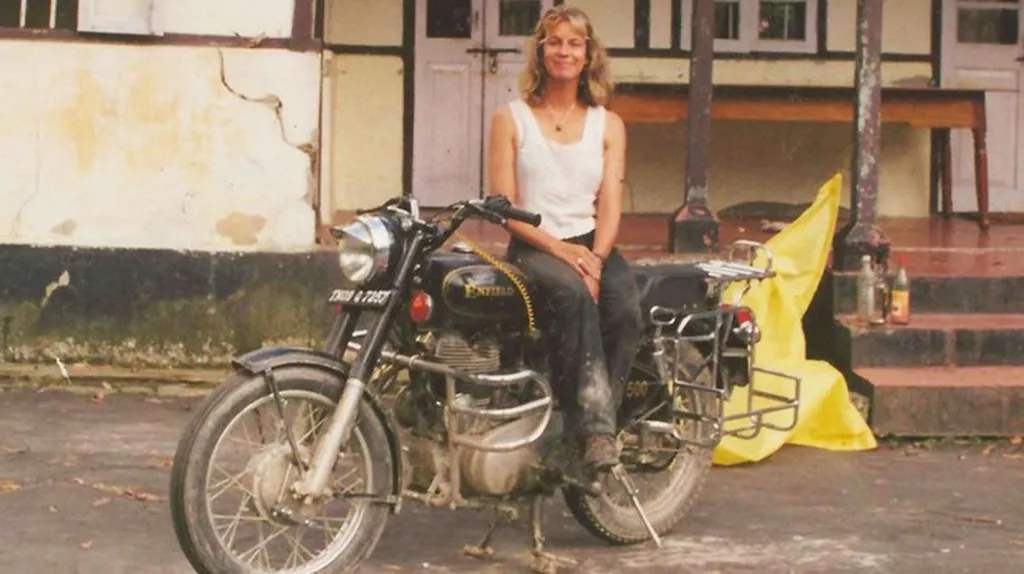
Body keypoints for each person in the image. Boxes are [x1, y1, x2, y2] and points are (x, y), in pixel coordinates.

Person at [487, 5, 643, 477]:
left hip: (591, 244)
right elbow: (504, 209)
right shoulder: (510, 119)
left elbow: (611, 205)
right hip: (537, 244)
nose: (564, 51)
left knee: (625, 310)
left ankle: (600, 424)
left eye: (574, 43)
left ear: (588, 54)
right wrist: (563, 251)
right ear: (541, 51)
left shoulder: (608, 124)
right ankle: (593, 432)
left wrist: (595, 258)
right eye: (555, 41)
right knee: (574, 297)